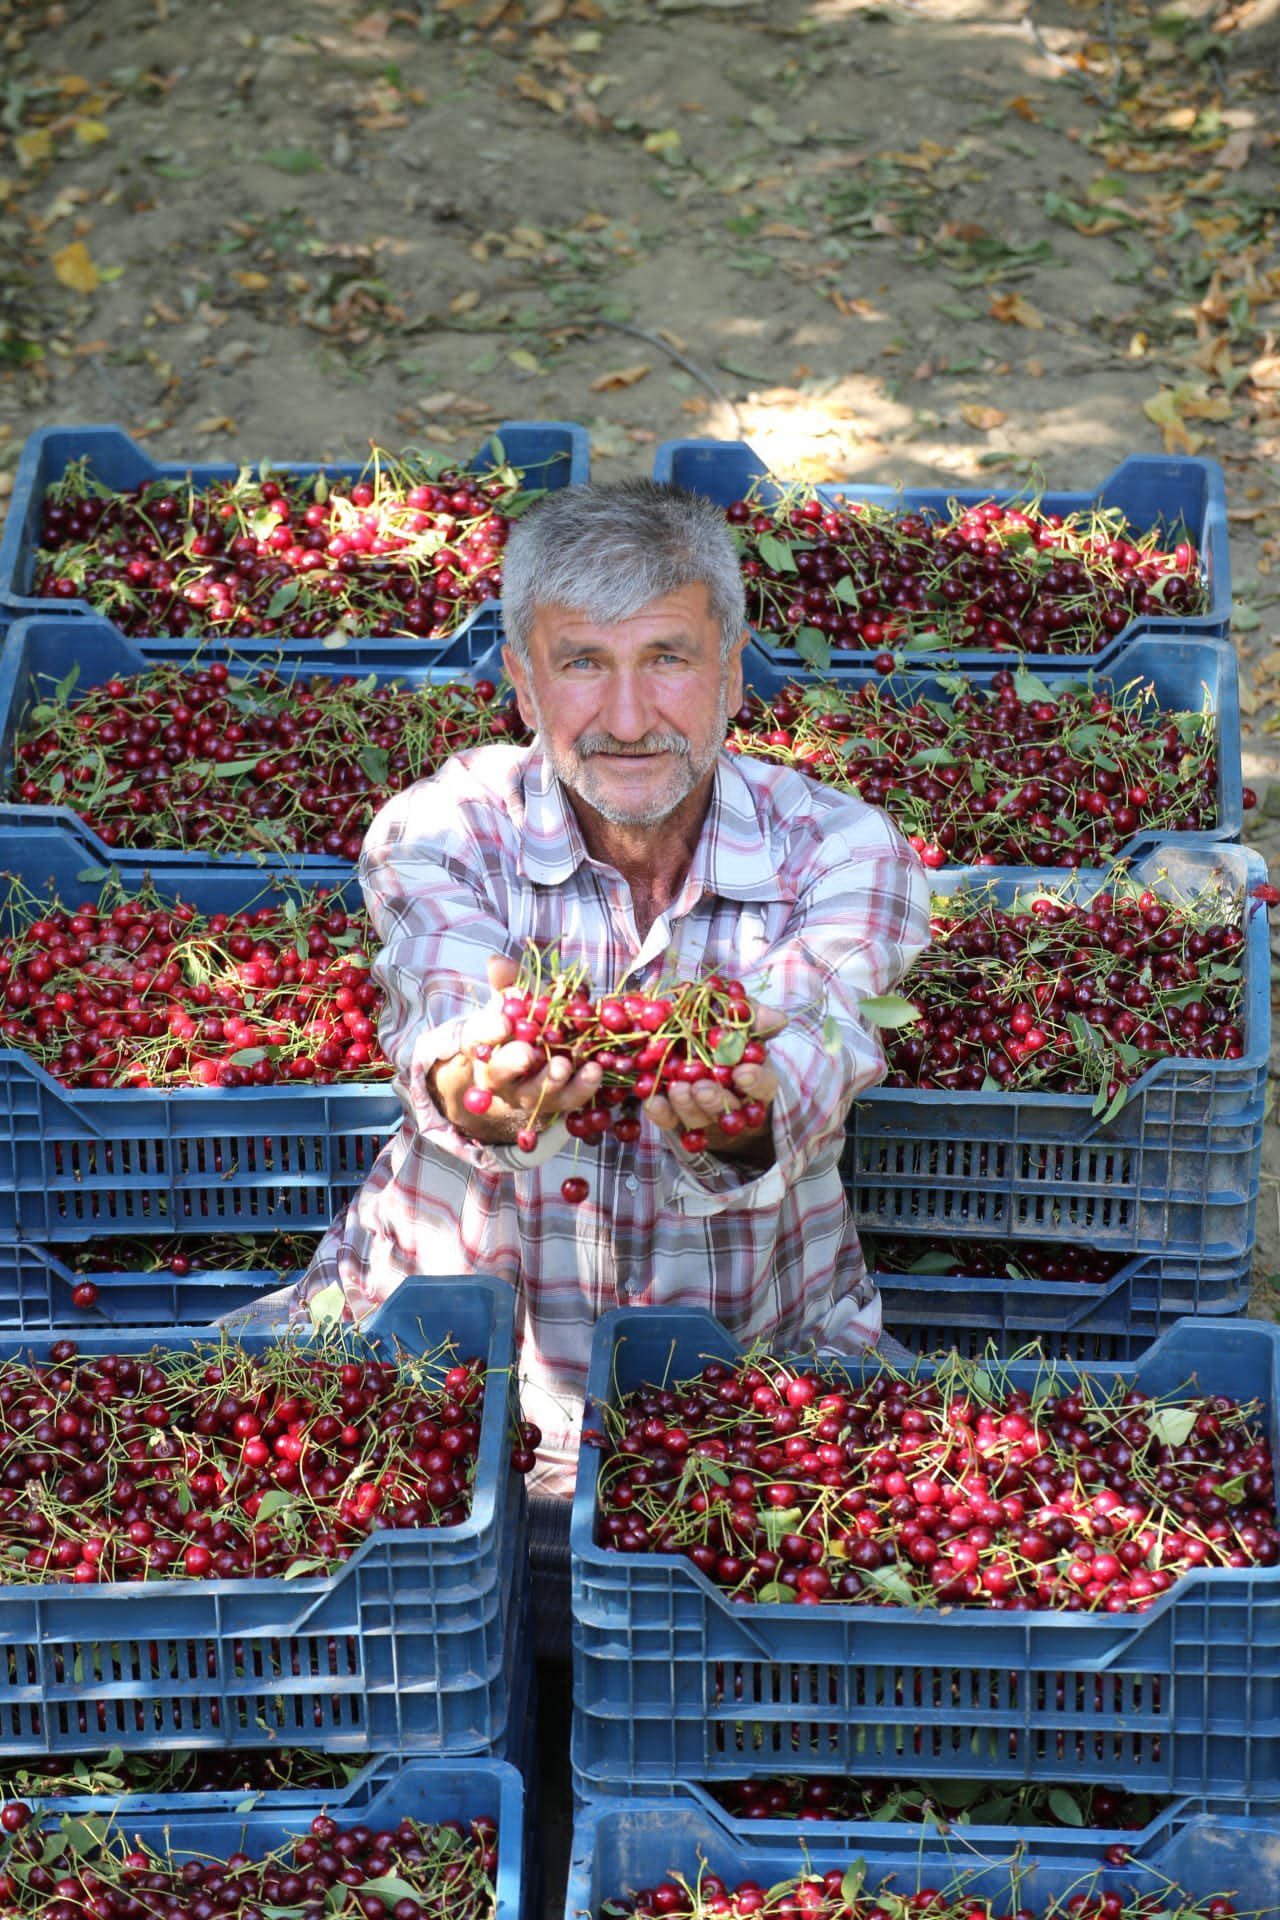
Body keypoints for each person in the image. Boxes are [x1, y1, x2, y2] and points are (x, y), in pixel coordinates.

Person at [286, 476, 930, 1640]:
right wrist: (472, 1089)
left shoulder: (840, 851)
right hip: (430, 1374)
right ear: (521, 682)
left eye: (667, 659)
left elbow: (808, 1047)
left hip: (746, 1384)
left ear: (733, 670)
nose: (628, 716)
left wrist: (736, 1116)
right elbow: (441, 1004)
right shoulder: (444, 828)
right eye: (581, 662)